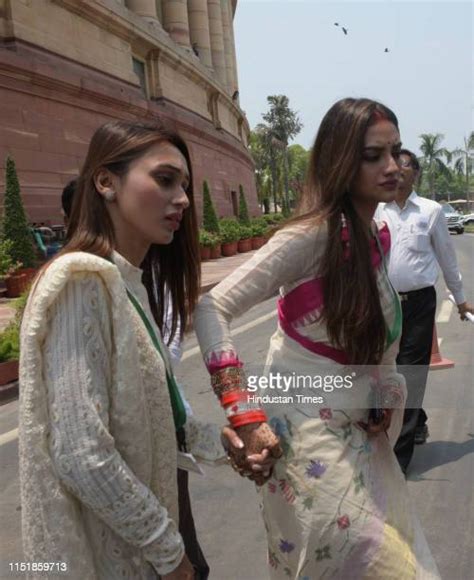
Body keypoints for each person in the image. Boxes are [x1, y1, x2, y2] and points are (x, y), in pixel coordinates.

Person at [194, 98, 441, 578]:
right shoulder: (309, 237)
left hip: (361, 439)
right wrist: (242, 415)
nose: (393, 168)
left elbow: (373, 350)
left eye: (396, 152)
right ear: (340, 161)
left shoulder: (374, 235)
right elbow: (212, 306)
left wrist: (382, 394)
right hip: (308, 441)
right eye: (374, 156)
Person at [19, 120, 206, 579]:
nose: (181, 199)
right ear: (106, 182)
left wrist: (222, 442)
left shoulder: (125, 281)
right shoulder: (81, 281)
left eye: (183, 185)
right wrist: (169, 552)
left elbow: (151, 412)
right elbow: (83, 454)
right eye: (164, 180)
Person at [376, 149, 474, 473]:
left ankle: (399, 459)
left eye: (403, 167)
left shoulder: (430, 211)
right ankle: (417, 422)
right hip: (384, 302)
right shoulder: (377, 210)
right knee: (387, 371)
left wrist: (459, 300)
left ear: (414, 173)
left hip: (419, 303)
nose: (396, 172)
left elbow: (447, 257)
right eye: (392, 166)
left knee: (411, 374)